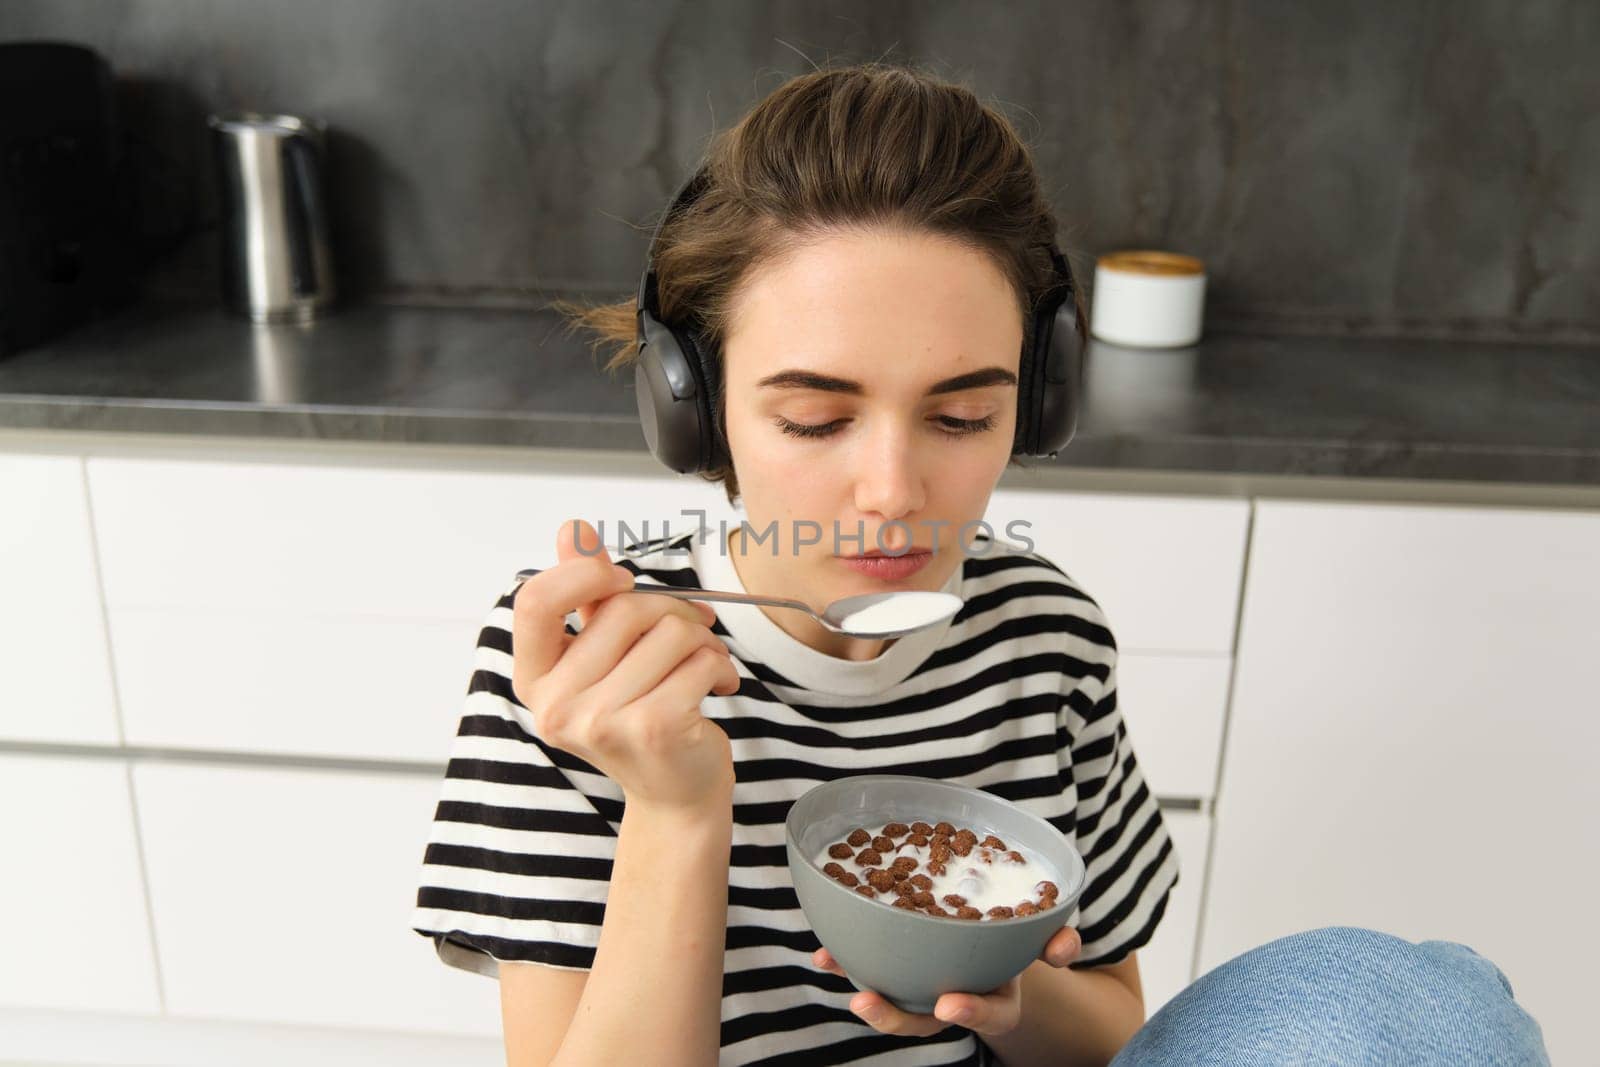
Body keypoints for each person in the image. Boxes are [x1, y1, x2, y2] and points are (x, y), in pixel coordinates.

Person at [411, 62, 1549, 1066]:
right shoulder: (584, 668)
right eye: (814, 420)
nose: (895, 493)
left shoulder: (1044, 636)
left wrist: (1004, 1000)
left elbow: (1116, 1033)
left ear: (1037, 401)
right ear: (693, 409)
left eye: (960, 417)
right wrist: (674, 806)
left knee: (1423, 997)